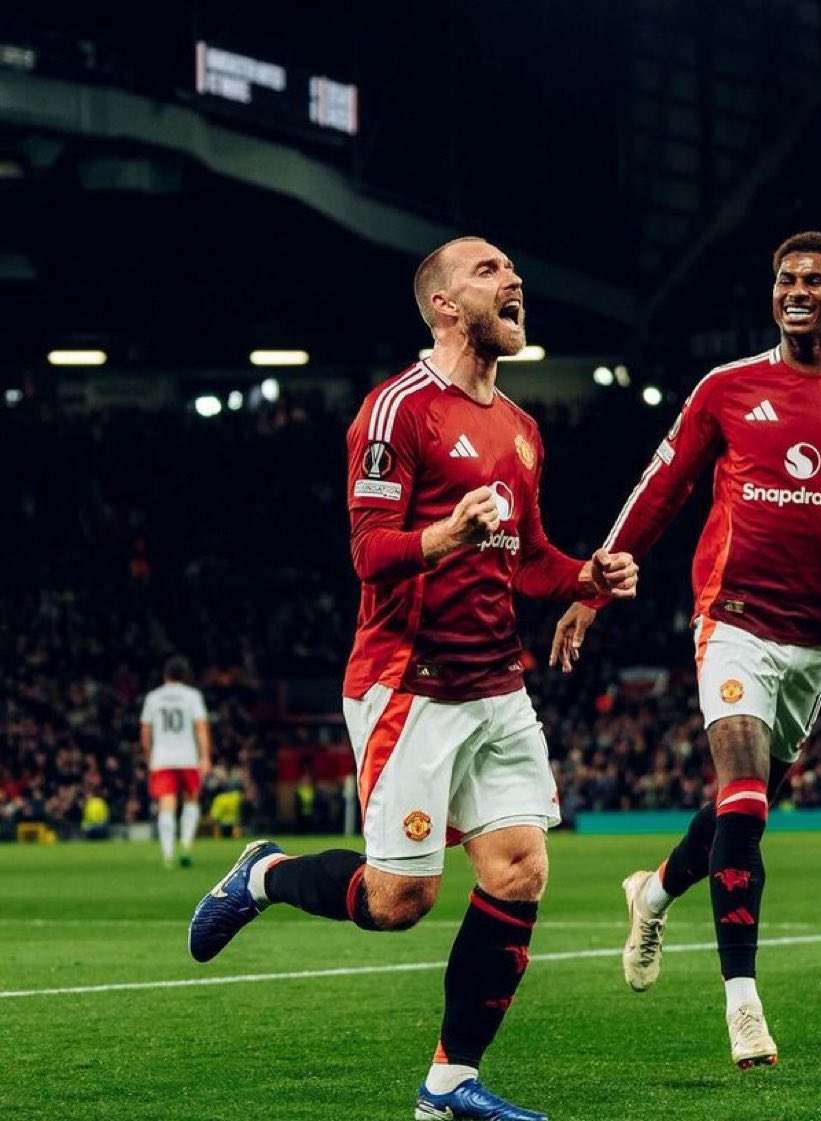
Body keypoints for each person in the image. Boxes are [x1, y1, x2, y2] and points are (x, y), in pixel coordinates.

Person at [188, 236, 638, 1121]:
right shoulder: (397, 410)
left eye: (514, 271)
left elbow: (530, 558)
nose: (513, 280)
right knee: (401, 901)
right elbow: (368, 553)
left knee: (518, 871)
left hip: (497, 685)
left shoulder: (522, 428)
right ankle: (263, 874)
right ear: (443, 305)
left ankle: (448, 1083)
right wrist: (446, 537)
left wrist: (587, 575)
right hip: (410, 681)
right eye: (488, 270)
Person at [549, 230, 821, 1069]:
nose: (797, 290)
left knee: (739, 809)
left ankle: (651, 893)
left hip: (817, 642)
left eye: (814, 280)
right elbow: (662, 484)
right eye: (786, 278)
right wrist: (591, 586)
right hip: (734, 620)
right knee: (746, 802)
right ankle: (743, 1005)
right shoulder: (727, 387)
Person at [140, 655, 212, 868]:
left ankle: (168, 854)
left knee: (167, 805)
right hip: (188, 757)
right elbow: (201, 727)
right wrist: (205, 756)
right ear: (185, 675)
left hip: (162, 758)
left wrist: (148, 755)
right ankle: (186, 845)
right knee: (191, 801)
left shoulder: (153, 697)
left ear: (165, 675)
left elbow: (145, 730)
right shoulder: (192, 696)